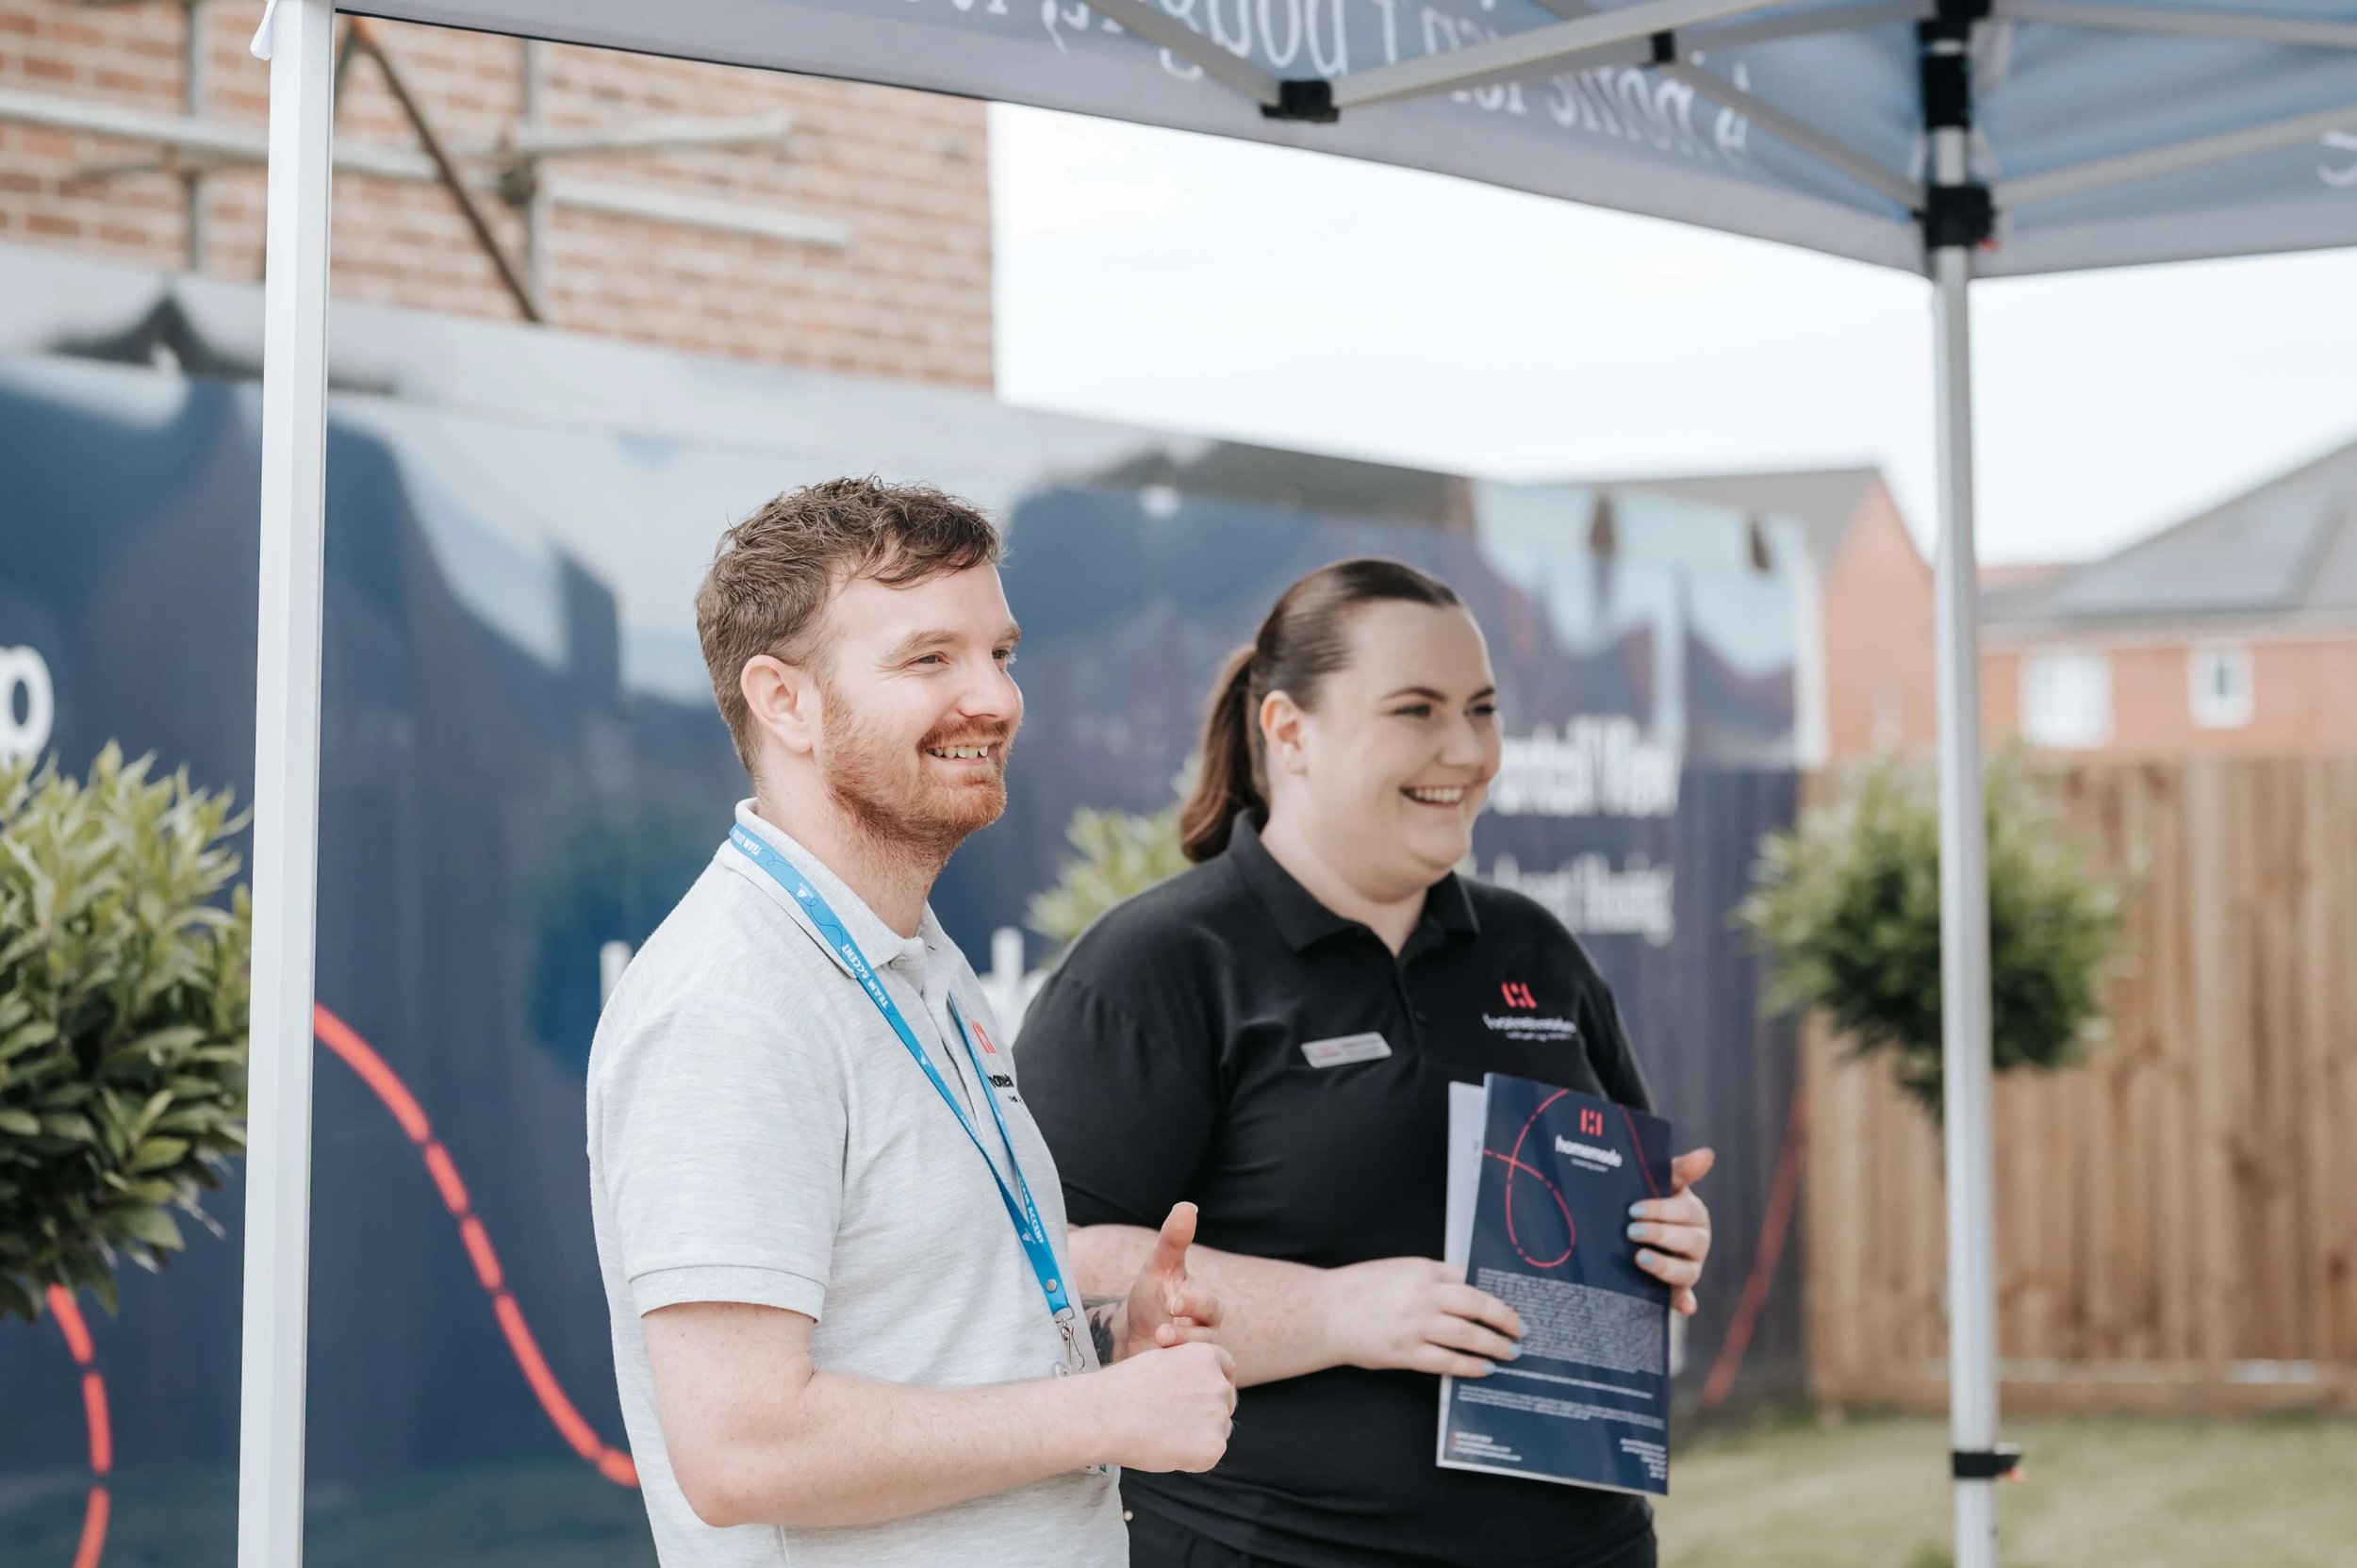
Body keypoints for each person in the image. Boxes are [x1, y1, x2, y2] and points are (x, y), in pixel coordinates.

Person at [586, 478, 1238, 1568]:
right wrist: (1104, 1415)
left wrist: (1107, 1353)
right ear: (782, 700)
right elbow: (742, 1448)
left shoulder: (912, 959)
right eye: (930, 658)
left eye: (1001, 652)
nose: (993, 697)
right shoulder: (732, 1003)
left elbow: (920, 1348)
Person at [1015, 558, 1717, 1568]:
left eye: (1481, 708)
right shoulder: (1162, 965)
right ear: (1289, 730)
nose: (1467, 749)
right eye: (1416, 710)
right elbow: (1054, 1265)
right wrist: (1336, 1311)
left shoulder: (1533, 952)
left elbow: (1609, 1212)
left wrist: (1662, 1233)